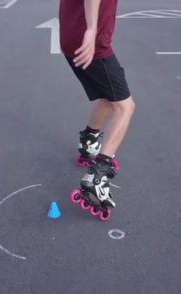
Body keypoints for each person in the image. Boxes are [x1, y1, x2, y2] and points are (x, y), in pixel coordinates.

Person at [59, 0, 135, 211]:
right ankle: (98, 176)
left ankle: (88, 144)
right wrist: (92, 29)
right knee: (125, 107)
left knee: (109, 97)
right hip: (91, 44)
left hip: (72, 36)